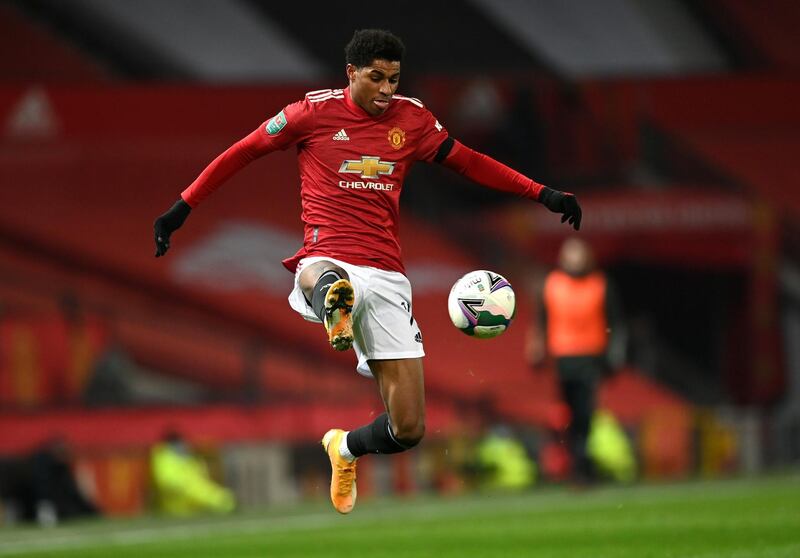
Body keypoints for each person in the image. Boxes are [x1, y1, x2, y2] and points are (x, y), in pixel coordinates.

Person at [153, 29, 582, 514]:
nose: (385, 90)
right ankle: (335, 304)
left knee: (409, 429)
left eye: (393, 80)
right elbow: (242, 151)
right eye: (375, 78)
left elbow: (469, 162)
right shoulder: (310, 113)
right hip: (327, 253)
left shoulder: (414, 119)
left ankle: (344, 448)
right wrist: (182, 207)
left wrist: (542, 192)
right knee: (324, 276)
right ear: (351, 73)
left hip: (387, 276)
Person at [528, 237, 625, 484]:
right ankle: (577, 464)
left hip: (591, 357)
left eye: (578, 254)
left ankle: (583, 464)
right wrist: (536, 347)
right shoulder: (552, 285)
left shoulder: (600, 285)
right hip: (562, 358)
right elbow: (541, 320)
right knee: (569, 413)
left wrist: (614, 355)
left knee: (585, 412)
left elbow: (615, 322)